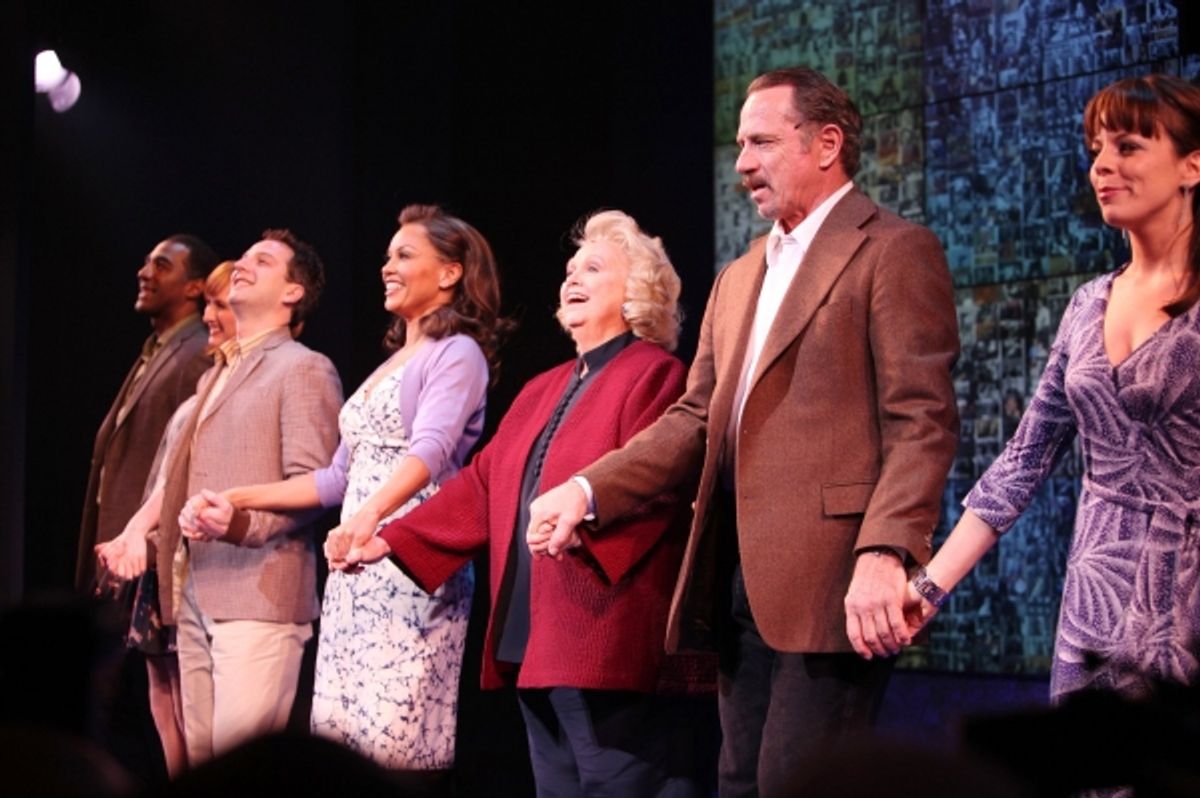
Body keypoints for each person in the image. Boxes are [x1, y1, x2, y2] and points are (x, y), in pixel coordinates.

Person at [527, 67, 959, 797]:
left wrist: (888, 550)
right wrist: (588, 488)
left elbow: (922, 420)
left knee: (799, 784)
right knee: (740, 783)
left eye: (761, 142)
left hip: (833, 582)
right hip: (735, 584)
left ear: (826, 144)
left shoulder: (892, 249)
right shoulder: (739, 277)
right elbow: (697, 419)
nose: (742, 163)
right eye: (738, 144)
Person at [338, 210, 710, 796]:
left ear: (638, 291)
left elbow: (661, 485)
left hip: (605, 633)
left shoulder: (656, 375)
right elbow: (481, 483)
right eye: (569, 269)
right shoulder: (544, 387)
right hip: (534, 636)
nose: (572, 279)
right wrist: (390, 535)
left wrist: (581, 520)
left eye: (593, 268)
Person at [903, 75, 1200, 706]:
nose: (1102, 166)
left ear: (1192, 165)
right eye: (1096, 149)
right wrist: (930, 587)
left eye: (1127, 146)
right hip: (1097, 593)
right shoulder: (1087, 304)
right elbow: (1023, 461)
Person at [218, 205, 508, 773]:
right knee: (347, 742)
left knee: (396, 743)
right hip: (355, 567)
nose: (387, 266)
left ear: (450, 273)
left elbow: (431, 450)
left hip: (409, 561)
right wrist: (238, 498)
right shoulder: (393, 363)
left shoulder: (458, 354)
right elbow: (334, 479)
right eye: (386, 256)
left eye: (404, 255)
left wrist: (370, 517)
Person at [161, 230, 343, 765]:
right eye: (242, 257)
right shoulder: (217, 372)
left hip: (260, 593)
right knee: (201, 765)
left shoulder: (304, 367)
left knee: (241, 772)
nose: (241, 265)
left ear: (293, 293)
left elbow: (315, 486)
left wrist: (238, 524)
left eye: (261, 262)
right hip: (197, 585)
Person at [96, 261, 237, 776]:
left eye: (222, 305)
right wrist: (132, 532)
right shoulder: (203, 379)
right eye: (212, 306)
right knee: (161, 681)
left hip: (185, 550)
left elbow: (190, 478)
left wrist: (145, 533)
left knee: (183, 685)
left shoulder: (206, 377)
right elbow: (163, 474)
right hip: (157, 548)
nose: (212, 316)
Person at [79, 234, 218, 593]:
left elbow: (185, 461)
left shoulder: (198, 353)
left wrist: (149, 539)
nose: (145, 273)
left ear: (194, 288)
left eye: (162, 266)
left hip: (145, 553)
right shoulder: (158, 349)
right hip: (121, 543)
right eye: (146, 263)